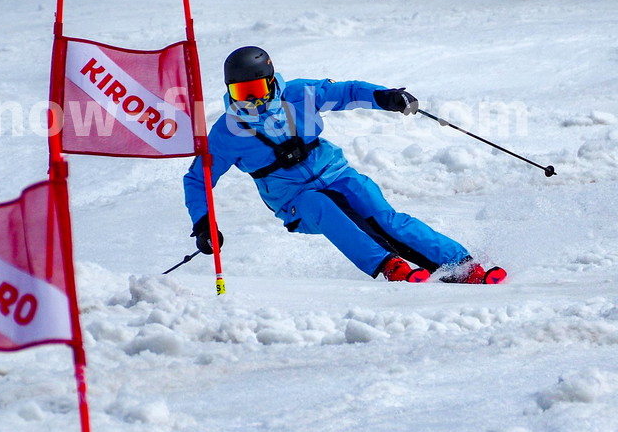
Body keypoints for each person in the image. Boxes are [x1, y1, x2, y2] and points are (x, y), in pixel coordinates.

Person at [182, 46, 506, 285]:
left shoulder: (299, 94)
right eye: (240, 92)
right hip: (294, 201)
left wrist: (385, 97)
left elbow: (347, 91)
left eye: (255, 90)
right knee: (319, 204)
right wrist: (202, 224)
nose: (250, 100)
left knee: (381, 213)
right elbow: (198, 180)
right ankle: (389, 265)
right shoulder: (227, 132)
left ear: (271, 82)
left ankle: (461, 264)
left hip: (336, 174)